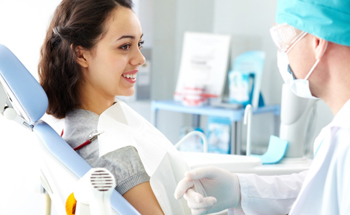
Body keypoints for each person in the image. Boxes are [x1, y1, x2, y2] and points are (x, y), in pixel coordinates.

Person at [174, 0, 350, 214]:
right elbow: (319, 188)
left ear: (317, 42)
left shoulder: (344, 140)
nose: (283, 53)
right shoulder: (340, 136)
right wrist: (240, 190)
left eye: (283, 37)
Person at [38, 0, 164, 214]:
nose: (140, 59)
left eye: (139, 44)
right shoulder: (113, 152)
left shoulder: (76, 127)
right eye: (125, 46)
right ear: (81, 55)